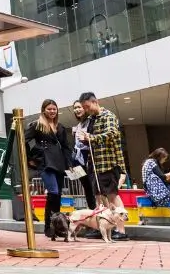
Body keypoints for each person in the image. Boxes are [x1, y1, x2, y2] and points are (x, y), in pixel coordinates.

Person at [76, 91, 129, 240]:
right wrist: (86, 140)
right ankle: (102, 226)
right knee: (99, 196)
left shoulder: (108, 116)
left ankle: (121, 230)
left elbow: (112, 133)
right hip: (95, 163)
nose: (86, 110)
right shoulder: (91, 119)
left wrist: (91, 138)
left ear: (95, 102)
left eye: (87, 107)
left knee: (112, 195)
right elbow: (93, 139)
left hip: (108, 162)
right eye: (84, 108)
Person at [24, 99, 72, 237]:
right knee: (53, 193)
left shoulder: (60, 127)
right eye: (49, 109)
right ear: (43, 110)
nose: (52, 111)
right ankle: (48, 227)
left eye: (54, 109)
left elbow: (66, 147)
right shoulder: (37, 125)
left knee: (57, 196)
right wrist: (31, 158)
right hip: (45, 163)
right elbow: (24, 140)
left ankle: (57, 227)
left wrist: (69, 164)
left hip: (59, 163)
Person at [71, 100, 101, 239]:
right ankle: (91, 224)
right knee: (87, 190)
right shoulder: (78, 125)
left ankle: (99, 223)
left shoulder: (91, 122)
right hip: (77, 160)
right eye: (75, 108)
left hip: (89, 158)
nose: (77, 110)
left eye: (79, 107)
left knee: (95, 189)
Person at [141, 148, 170, 226]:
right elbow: (162, 177)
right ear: (160, 157)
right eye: (164, 158)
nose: (164, 161)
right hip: (158, 189)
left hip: (160, 187)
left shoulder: (151, 163)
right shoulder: (151, 162)